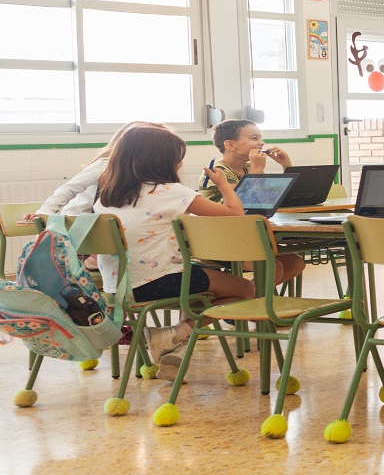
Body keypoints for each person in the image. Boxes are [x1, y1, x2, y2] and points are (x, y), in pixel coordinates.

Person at [93, 127, 255, 381]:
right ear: (161, 160)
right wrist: (223, 185)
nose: (180, 163)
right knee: (246, 289)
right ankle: (176, 333)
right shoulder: (170, 191)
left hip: (119, 287)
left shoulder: (106, 195)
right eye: (177, 157)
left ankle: (175, 345)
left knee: (199, 284)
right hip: (157, 281)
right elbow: (235, 215)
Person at [199, 119, 304, 284]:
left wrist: (286, 166)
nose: (261, 143)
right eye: (254, 138)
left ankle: (250, 293)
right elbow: (247, 201)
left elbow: (274, 198)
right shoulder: (216, 172)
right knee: (273, 267)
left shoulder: (248, 168)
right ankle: (250, 295)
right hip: (219, 242)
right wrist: (258, 169)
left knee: (295, 262)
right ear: (230, 144)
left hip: (246, 236)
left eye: (260, 138)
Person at [25, 121, 166, 222]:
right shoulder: (105, 164)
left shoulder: (143, 170)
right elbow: (69, 188)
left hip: (102, 223)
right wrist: (44, 212)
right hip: (78, 224)